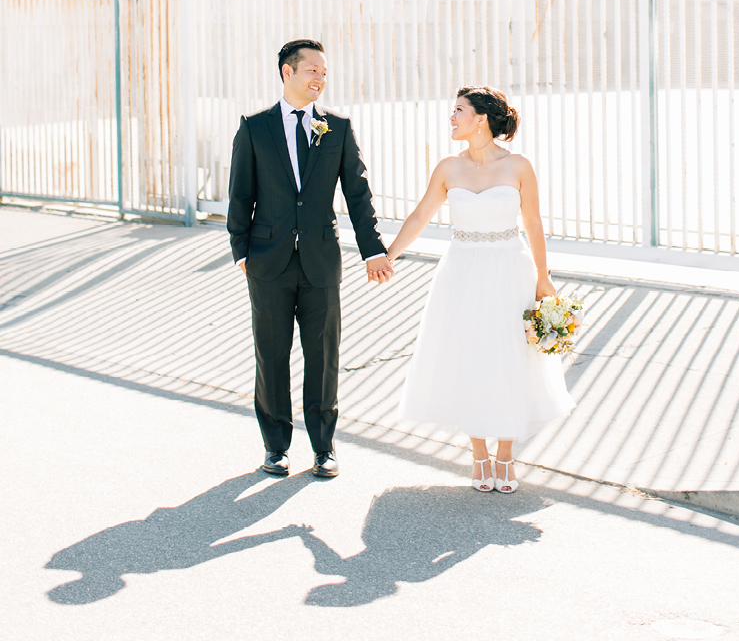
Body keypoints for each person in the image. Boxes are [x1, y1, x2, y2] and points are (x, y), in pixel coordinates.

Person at [386, 86, 576, 493]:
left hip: (511, 267)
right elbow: (421, 215)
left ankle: (504, 455)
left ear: (481, 119)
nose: (451, 118)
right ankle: (478, 455)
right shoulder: (448, 168)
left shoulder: (519, 166)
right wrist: (389, 255)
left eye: (458, 111)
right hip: (462, 271)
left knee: (510, 357)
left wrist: (543, 277)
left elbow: (534, 224)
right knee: (467, 358)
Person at [227, 39, 393, 479]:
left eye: (324, 71)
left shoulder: (336, 128)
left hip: (320, 259)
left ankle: (324, 448)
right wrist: (240, 251)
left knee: (323, 355)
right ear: (288, 72)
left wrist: (372, 248)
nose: (320, 78)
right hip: (267, 261)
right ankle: (276, 447)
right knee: (271, 354)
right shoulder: (254, 128)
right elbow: (240, 194)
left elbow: (357, 193)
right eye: (312, 70)